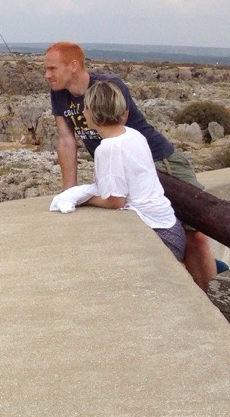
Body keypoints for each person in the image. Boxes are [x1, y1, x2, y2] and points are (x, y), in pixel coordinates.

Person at [43, 41, 216, 290]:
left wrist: (85, 196)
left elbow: (120, 128)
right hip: (126, 166)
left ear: (73, 66)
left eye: (52, 68)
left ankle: (211, 300)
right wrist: (69, 194)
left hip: (160, 160)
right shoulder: (59, 92)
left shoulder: (107, 88)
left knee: (195, 235)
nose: (47, 75)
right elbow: (66, 139)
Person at [74, 80, 188, 262]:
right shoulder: (133, 134)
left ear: (93, 112)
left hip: (155, 231)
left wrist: (83, 198)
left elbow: (115, 200)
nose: (82, 112)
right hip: (170, 226)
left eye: (85, 107)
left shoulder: (108, 148)